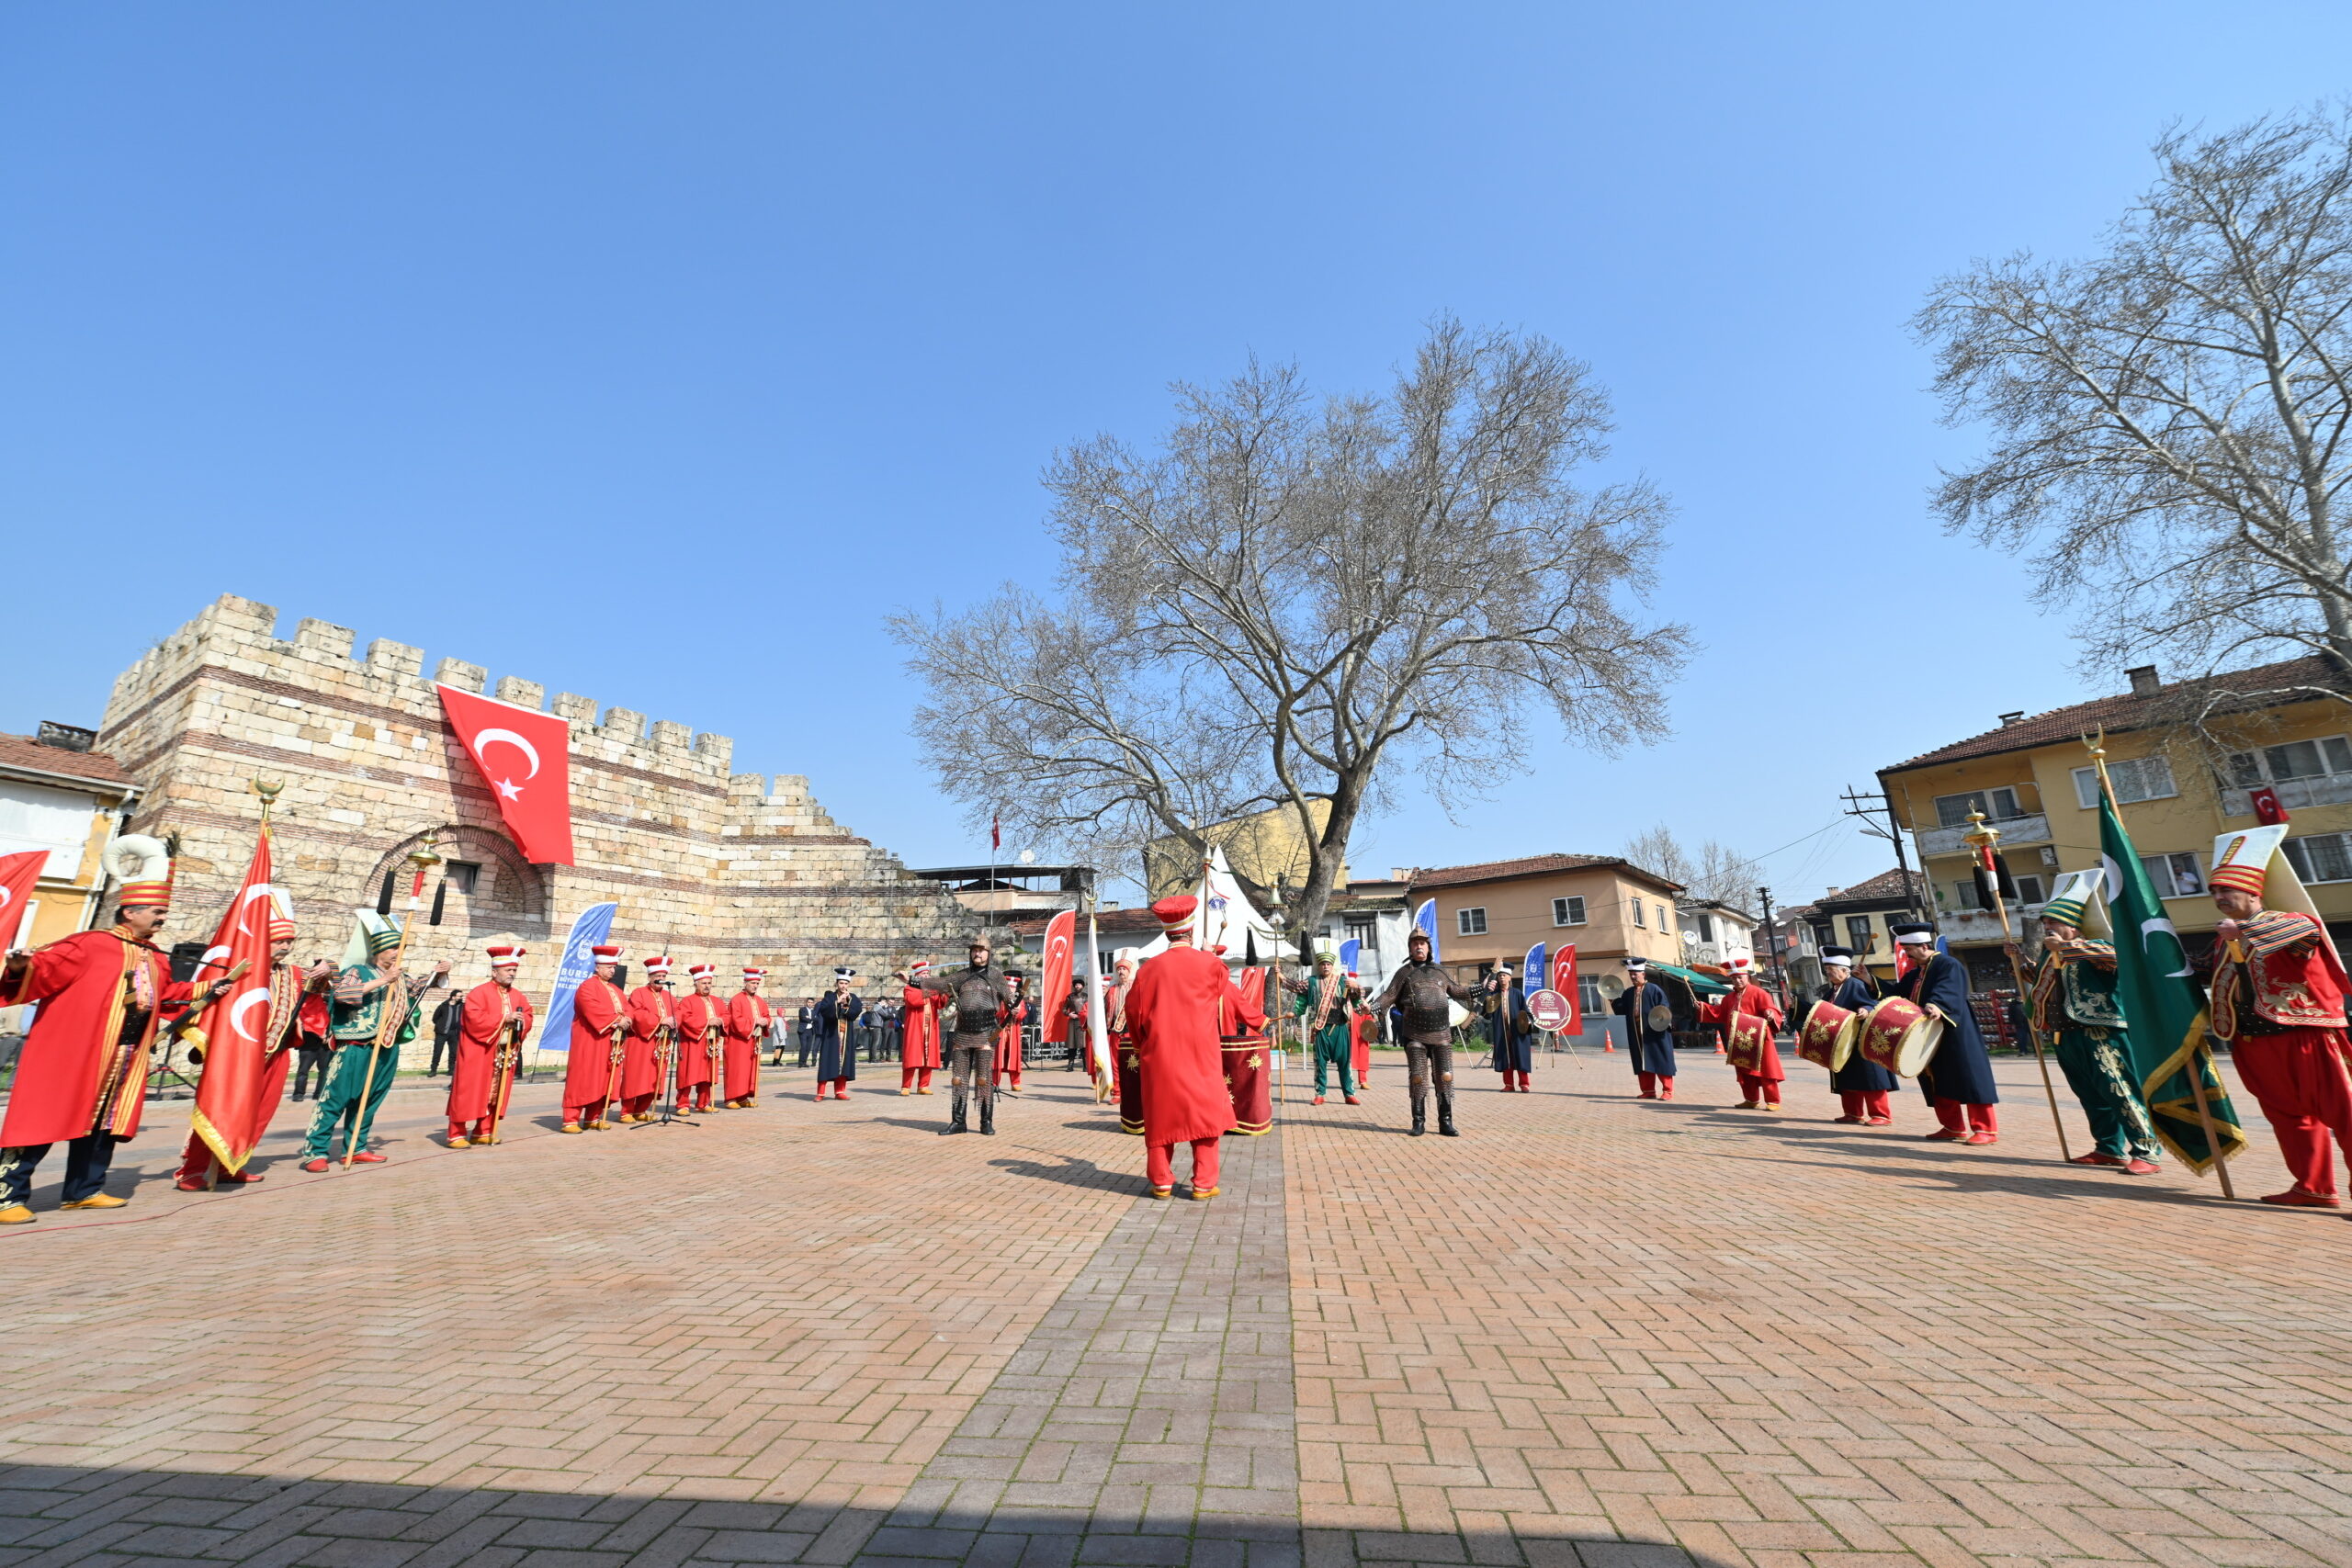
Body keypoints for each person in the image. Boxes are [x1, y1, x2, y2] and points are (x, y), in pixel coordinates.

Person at [0, 851, 220, 1222]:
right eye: (157, 912)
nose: (163, 919)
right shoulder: (88, 943)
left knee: (102, 1124)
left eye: (163, 912)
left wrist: (212, 987)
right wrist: (22, 965)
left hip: (124, 1056)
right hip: (71, 1054)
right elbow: (45, 970)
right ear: (129, 912)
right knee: (41, 1121)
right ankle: (8, 1196)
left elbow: (164, 993)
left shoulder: (155, 956)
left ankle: (83, 1191)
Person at [2205, 829, 2352, 1206]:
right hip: (2254, 1041)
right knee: (2289, 1117)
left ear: (2254, 893)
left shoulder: (2290, 922)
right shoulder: (2225, 938)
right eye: (2215, 893)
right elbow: (2209, 972)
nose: (2220, 899)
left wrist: (2245, 929)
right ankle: (2313, 1187)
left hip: (2305, 1035)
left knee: (2346, 1113)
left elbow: (2305, 930)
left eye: (2227, 891)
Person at [2009, 879, 2161, 1175]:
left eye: (2055, 922)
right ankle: (2108, 1148)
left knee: (2120, 1090)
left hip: (2100, 1032)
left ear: (2074, 927)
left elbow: (2116, 960)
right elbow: (2039, 978)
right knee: (2091, 1095)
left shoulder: (2095, 946)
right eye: (2046, 923)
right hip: (2064, 1033)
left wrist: (2066, 947)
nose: (2049, 927)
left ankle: (2147, 1150)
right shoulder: (2049, 954)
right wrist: (2020, 959)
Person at [175, 913, 335, 1190]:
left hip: (277, 1051)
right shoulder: (240, 971)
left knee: (258, 1113)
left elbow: (326, 977)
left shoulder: (292, 973)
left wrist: (327, 966)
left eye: (290, 941)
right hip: (237, 1054)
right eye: (280, 941)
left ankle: (230, 1165)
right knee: (220, 1109)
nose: (286, 946)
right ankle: (193, 1169)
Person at [300, 926, 449, 1171]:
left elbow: (419, 987)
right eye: (392, 948)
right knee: (334, 1100)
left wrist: (439, 971)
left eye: (400, 949)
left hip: (386, 1047)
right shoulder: (358, 971)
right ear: (378, 951)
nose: (396, 953)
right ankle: (316, 1152)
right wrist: (383, 981)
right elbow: (342, 995)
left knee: (369, 1102)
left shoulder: (400, 976)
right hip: (355, 1047)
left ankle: (356, 1148)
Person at [1123, 897, 1242, 1198]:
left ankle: (1161, 1181)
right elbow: (1220, 985)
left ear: (1167, 933)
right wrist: (1207, 955)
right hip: (1201, 1054)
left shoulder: (1147, 971)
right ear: (1189, 931)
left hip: (1160, 1056)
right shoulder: (1210, 964)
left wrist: (1141, 1047)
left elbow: (1133, 1013)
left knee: (1161, 1117)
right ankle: (1203, 1183)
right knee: (1205, 1117)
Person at [1890, 923, 1999, 1145]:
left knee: (1970, 1078)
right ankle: (1952, 1126)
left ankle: (1985, 1129)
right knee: (1937, 1080)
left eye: (1909, 950)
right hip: (1929, 1034)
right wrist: (1868, 981)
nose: (1908, 955)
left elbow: (1948, 989)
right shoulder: (1917, 973)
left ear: (1923, 946)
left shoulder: (1948, 964)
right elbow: (1897, 993)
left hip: (1955, 1030)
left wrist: (1937, 1004)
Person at [1368, 929, 1480, 1136]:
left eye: (1422, 943)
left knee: (1445, 1077)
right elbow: (1389, 995)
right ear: (1410, 948)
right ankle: (1418, 1122)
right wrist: (1373, 1007)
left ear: (1429, 948)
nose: (1419, 946)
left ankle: (1445, 1122)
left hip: (1441, 1033)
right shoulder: (1404, 973)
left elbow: (1457, 991)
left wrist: (1479, 988)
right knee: (1418, 1078)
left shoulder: (1440, 971)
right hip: (1415, 1032)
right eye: (1415, 943)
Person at [913, 936, 1014, 1135]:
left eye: (981, 950)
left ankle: (986, 1122)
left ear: (988, 953)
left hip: (986, 1032)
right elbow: (937, 983)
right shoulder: (961, 976)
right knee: (958, 1079)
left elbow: (1010, 999)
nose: (977, 953)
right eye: (974, 950)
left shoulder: (995, 975)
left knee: (984, 1079)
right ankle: (958, 1121)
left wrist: (1014, 1006)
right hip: (963, 1032)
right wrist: (909, 980)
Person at [447, 943, 531, 1146]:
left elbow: (528, 1014)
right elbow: (473, 1018)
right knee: (468, 1091)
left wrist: (521, 1021)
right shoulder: (479, 993)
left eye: (514, 970)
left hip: (504, 1052)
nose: (512, 974)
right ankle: (456, 1133)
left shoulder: (517, 995)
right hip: (480, 1051)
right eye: (508, 970)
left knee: (495, 1094)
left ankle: (483, 1131)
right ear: (495, 972)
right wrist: (504, 1019)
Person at [1815, 946, 1894, 1124]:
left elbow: (1873, 1002)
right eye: (1827, 970)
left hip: (1861, 1038)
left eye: (1831, 970)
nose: (1828, 973)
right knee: (1846, 1076)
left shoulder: (1856, 984)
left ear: (1844, 970)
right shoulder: (1834, 989)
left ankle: (1880, 1114)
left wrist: (1865, 1010)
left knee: (1870, 1076)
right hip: (1843, 1041)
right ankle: (1852, 1113)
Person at [560, 943, 630, 1134]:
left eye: (614, 967)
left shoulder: (616, 990)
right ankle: (570, 1119)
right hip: (590, 1042)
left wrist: (628, 1019)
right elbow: (592, 1009)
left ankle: (593, 1117)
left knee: (603, 1080)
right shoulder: (587, 987)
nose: (612, 970)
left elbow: (627, 1007)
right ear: (597, 967)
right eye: (609, 967)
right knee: (582, 1079)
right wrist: (618, 1020)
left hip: (609, 1043)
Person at [1704, 956, 1787, 1110]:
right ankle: (1751, 1099)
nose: (1737, 981)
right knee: (1744, 1072)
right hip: (1739, 1040)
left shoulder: (1759, 993)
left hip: (1760, 1039)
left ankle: (1773, 1101)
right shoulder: (1728, 998)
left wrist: (1770, 1014)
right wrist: (1702, 1007)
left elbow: (1772, 1010)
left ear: (1747, 977)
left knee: (1766, 1070)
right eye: (1734, 978)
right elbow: (1719, 1013)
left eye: (1740, 978)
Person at [1285, 950, 1360, 1105]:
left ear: (1333, 966)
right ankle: (1320, 1093)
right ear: (1319, 966)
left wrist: (1356, 987)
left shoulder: (1342, 980)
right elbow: (1298, 991)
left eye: (1328, 964)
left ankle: (1349, 1094)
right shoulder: (1311, 982)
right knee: (1320, 1062)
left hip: (1340, 1027)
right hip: (1321, 1027)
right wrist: (1281, 978)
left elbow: (1356, 999)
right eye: (1323, 964)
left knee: (1345, 1062)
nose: (1325, 967)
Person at [620, 955, 678, 1122]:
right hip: (641, 1042)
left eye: (663, 977)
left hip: (661, 1043)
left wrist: (674, 1021)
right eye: (657, 977)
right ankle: (626, 1111)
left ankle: (640, 1110)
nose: (661, 979)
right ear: (650, 977)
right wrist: (660, 1021)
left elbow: (678, 1012)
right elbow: (637, 1013)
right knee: (636, 1077)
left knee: (654, 1078)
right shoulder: (639, 993)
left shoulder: (670, 997)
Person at [1611, 956, 1679, 1100]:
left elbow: (1664, 1009)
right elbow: (1620, 1010)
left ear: (1643, 974)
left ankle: (1668, 1091)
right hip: (1636, 1033)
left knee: (1660, 1059)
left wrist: (1661, 1023)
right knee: (1641, 1061)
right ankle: (1648, 1091)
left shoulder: (1654, 990)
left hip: (1654, 1032)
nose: (1633, 977)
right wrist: (1611, 997)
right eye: (1631, 974)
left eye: (1635, 974)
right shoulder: (1628, 992)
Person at [675, 964, 727, 1112]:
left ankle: (703, 1103)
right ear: (695, 984)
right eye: (704, 983)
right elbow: (685, 1018)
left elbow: (726, 1015)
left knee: (707, 1075)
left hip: (711, 1043)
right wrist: (706, 1022)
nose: (707, 986)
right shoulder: (687, 1001)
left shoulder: (717, 1001)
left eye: (709, 983)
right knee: (687, 1074)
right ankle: (683, 1104)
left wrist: (721, 1021)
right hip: (693, 1043)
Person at [1108, 950, 1144, 1134]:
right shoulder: (1112, 989)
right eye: (1119, 969)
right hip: (1115, 1031)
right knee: (1115, 1063)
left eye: (1124, 969)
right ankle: (1117, 1092)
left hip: (1131, 1032)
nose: (1121, 972)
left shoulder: (1136, 988)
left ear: (1130, 971)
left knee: (1132, 1065)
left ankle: (1132, 1094)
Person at [725, 967, 772, 1108]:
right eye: (752, 983)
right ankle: (731, 1098)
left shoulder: (760, 1000)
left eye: (757, 983)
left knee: (749, 1070)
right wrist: (754, 1022)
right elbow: (735, 1021)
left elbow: (767, 1016)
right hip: (739, 1041)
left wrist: (765, 1021)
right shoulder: (736, 1000)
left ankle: (743, 1097)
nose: (755, 986)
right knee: (737, 1070)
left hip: (754, 1041)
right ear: (745, 983)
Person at [1485, 963, 1535, 1094]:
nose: (1502, 978)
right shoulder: (1494, 995)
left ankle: (1524, 1084)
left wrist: (1528, 1022)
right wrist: (1487, 995)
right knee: (1505, 1057)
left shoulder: (1517, 993)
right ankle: (1509, 1085)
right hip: (1502, 1031)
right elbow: (1487, 1012)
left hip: (1517, 1031)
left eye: (1504, 976)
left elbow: (1526, 1012)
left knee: (1519, 1056)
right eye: (1500, 976)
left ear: (1510, 978)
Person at [816, 967, 862, 1100]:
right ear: (837, 983)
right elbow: (824, 1011)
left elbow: (856, 1011)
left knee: (844, 1063)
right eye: (841, 983)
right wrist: (837, 1003)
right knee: (827, 1062)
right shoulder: (829, 996)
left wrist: (847, 1003)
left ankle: (840, 1091)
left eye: (846, 983)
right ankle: (820, 1092)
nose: (843, 986)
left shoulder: (853, 998)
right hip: (831, 1035)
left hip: (846, 1036)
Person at [290, 976, 334, 1100]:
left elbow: (325, 1017)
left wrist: (326, 1034)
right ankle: (298, 1094)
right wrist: (320, 1034)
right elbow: (307, 1020)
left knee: (324, 1070)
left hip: (324, 1042)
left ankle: (319, 1093)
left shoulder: (323, 1000)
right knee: (303, 1070)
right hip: (309, 1041)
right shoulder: (303, 1001)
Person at [993, 969, 1031, 1095]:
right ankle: (995, 1083)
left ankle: (1015, 1083)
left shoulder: (1020, 1001)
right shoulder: (999, 1000)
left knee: (1014, 1057)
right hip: (1000, 1031)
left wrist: (1017, 1012)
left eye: (1013, 988)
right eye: (1009, 987)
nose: (1011, 990)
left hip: (1014, 1031)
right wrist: (1006, 1011)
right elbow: (995, 1012)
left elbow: (1023, 1014)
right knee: (997, 1057)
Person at [427, 987, 464, 1076]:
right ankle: (433, 1070)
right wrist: (441, 1026)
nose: (461, 998)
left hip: (455, 1033)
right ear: (453, 997)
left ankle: (451, 1070)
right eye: (459, 996)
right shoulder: (443, 1006)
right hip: (442, 1033)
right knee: (437, 1051)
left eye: (461, 996)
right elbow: (435, 1018)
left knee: (453, 1052)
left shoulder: (462, 1006)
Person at [795, 996, 819, 1067]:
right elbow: (803, 1018)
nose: (810, 1004)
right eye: (809, 1002)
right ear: (806, 1003)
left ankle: (804, 1062)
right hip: (803, 1030)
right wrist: (811, 1019)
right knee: (804, 1046)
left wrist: (810, 1018)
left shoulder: (814, 1011)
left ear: (813, 1003)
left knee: (808, 1047)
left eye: (811, 1003)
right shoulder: (802, 1010)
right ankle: (800, 1063)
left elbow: (816, 1019)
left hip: (811, 1031)